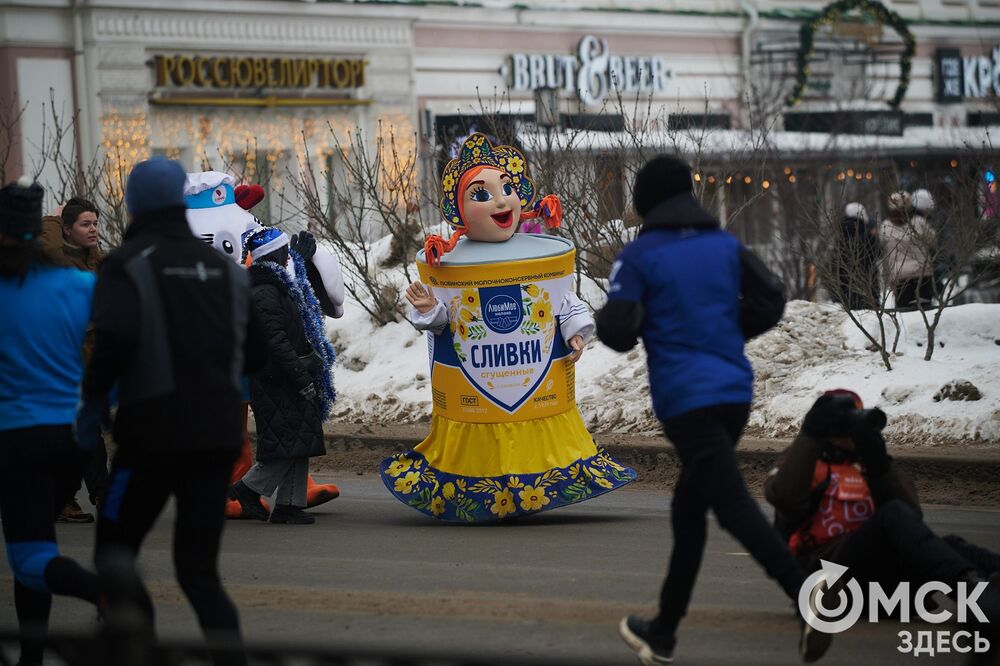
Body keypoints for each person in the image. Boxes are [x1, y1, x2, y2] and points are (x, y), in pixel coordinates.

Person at [597, 155, 827, 664]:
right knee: (688, 510)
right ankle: (663, 631)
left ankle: (809, 598)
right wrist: (725, 332)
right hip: (733, 396)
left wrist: (640, 320)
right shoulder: (724, 245)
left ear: (644, 203)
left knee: (732, 506)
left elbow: (614, 331)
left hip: (687, 400)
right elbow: (771, 298)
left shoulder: (640, 256)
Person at [380, 132, 635, 522]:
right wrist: (430, 308)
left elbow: (560, 301)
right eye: (481, 195)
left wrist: (576, 330)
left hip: (536, 384)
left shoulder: (541, 256)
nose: (500, 201)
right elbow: (446, 325)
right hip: (473, 391)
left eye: (507, 189)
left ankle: (536, 483)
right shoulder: (448, 265)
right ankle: (486, 490)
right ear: (459, 210)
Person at [78, 157, 266, 666]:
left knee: (114, 552)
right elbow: (253, 355)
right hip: (215, 439)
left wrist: (91, 408)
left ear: (135, 203)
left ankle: (135, 645)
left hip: (150, 440)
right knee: (197, 571)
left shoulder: (127, 264)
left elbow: (111, 344)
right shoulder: (226, 272)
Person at [765, 391, 999, 655]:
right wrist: (810, 436)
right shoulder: (803, 460)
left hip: (883, 589)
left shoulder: (866, 463)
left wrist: (878, 463)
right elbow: (783, 497)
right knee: (893, 517)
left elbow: (912, 518)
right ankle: (974, 593)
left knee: (950, 547)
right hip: (833, 575)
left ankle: (990, 585)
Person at [0, 178, 102, 666]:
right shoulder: (81, 284)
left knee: (30, 558)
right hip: (69, 438)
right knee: (34, 543)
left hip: (13, 439)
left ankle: (108, 594)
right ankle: (32, 656)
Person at [229, 227, 336, 526]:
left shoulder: (274, 285)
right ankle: (245, 490)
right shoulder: (264, 292)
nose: (288, 256)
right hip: (277, 379)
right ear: (272, 254)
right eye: (284, 251)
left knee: (301, 440)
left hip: (285, 376)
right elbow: (276, 342)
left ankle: (289, 505)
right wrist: (300, 376)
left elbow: (299, 304)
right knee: (288, 442)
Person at [39, 196, 108, 523]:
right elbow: (48, 242)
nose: (94, 229)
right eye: (85, 224)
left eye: (95, 223)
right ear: (67, 229)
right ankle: (97, 492)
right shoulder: (57, 260)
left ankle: (66, 497)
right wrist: (52, 219)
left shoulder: (94, 260)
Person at [880, 191, 936, 310]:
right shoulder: (919, 222)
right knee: (927, 311)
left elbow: (882, 248)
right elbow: (932, 241)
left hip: (900, 277)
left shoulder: (886, 226)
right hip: (922, 274)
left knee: (905, 313)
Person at [833, 202, 881, 310]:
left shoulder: (840, 235)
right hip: (868, 280)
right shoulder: (867, 234)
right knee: (871, 315)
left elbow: (836, 260)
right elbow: (878, 253)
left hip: (847, 282)